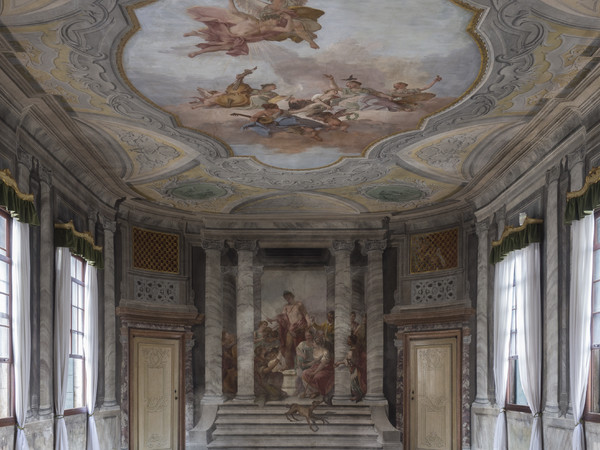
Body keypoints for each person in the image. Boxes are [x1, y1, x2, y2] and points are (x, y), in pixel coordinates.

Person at [267, 290, 310, 369]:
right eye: (285, 297)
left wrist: (309, 324)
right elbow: (281, 316)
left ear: (292, 296)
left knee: (300, 347)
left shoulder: (299, 304)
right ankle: (288, 365)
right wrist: (272, 319)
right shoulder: (286, 307)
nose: (287, 298)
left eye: (288, 296)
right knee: (288, 347)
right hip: (291, 329)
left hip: (300, 328)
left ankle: (301, 365)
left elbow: (306, 314)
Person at [241, 103, 324, 141]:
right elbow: (253, 118)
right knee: (293, 130)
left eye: (276, 108)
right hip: (275, 125)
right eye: (274, 109)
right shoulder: (263, 112)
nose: (276, 110)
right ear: (268, 109)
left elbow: (291, 114)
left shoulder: (281, 111)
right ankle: (311, 135)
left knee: (302, 123)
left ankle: (315, 132)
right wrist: (260, 120)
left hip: (288, 121)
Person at [302, 334, 335, 399]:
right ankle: (313, 392)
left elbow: (322, 364)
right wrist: (307, 365)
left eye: (313, 343)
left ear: (318, 344)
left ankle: (320, 392)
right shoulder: (315, 350)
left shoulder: (325, 352)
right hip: (316, 367)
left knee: (317, 377)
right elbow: (316, 361)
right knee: (305, 373)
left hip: (326, 368)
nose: (312, 344)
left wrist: (314, 372)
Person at [335, 334, 367, 402]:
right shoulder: (352, 349)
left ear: (352, 341)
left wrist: (350, 364)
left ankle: (358, 395)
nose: (347, 341)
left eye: (349, 340)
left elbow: (352, 360)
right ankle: (357, 395)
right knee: (353, 382)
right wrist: (339, 363)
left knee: (354, 381)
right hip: (352, 368)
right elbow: (347, 360)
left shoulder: (355, 350)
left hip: (355, 368)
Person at [295, 330, 316, 397]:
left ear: (312, 336)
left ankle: (310, 392)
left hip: (313, 364)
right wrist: (302, 355)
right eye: (306, 336)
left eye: (309, 335)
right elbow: (297, 350)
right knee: (299, 374)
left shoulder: (315, 344)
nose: (307, 337)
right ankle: (302, 391)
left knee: (305, 374)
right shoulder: (302, 343)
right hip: (303, 363)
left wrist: (310, 364)